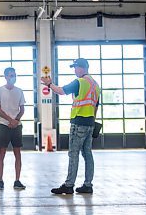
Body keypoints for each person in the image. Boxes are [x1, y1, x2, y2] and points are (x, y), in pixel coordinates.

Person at [41, 58, 101, 194]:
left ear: (82, 68)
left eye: (75, 68)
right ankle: (88, 184)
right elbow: (96, 106)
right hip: (90, 123)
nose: (74, 70)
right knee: (87, 154)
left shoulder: (80, 82)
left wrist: (49, 84)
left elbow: (61, 91)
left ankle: (69, 185)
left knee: (73, 153)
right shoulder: (95, 85)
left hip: (78, 122)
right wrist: (91, 121)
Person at [0, 67, 26, 190]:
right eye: (11, 75)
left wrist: (16, 120)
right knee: (2, 153)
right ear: (6, 76)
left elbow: (22, 109)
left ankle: (17, 180)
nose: (13, 77)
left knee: (18, 153)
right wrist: (10, 120)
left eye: (14, 75)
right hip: (3, 125)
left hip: (16, 126)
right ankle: (0, 180)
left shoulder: (19, 91)